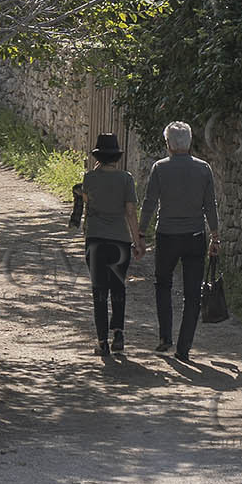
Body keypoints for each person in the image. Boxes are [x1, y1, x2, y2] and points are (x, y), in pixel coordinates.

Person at [140, 120, 220, 364]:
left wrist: (140, 234)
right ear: (189, 143)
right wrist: (215, 235)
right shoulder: (203, 168)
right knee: (192, 294)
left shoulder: (160, 168)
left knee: (162, 284)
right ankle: (184, 348)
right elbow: (210, 206)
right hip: (195, 236)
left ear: (169, 145)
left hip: (167, 235)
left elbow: (150, 203)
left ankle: (166, 336)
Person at [80, 131, 143, 362]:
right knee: (118, 287)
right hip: (120, 241)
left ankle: (101, 342)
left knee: (99, 290)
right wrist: (137, 241)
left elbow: (86, 205)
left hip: (96, 239)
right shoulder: (126, 179)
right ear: (116, 157)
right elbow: (130, 212)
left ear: (98, 156)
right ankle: (118, 333)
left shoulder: (89, 178)